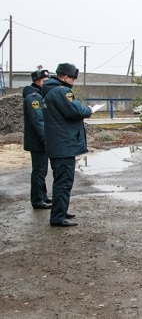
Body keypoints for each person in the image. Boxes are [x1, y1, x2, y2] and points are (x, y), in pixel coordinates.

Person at [42, 63, 92, 227]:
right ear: (65, 77)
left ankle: (60, 211)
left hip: (58, 144)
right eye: (72, 78)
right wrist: (88, 110)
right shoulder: (62, 91)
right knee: (64, 182)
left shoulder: (50, 91)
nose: (73, 82)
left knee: (61, 181)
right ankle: (58, 217)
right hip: (63, 145)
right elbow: (75, 111)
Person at [23, 69, 52, 209]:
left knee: (42, 171)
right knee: (39, 171)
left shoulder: (39, 95)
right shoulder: (33, 97)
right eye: (44, 82)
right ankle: (37, 200)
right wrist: (46, 139)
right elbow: (37, 121)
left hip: (39, 140)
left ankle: (43, 196)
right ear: (37, 82)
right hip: (37, 141)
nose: (46, 84)